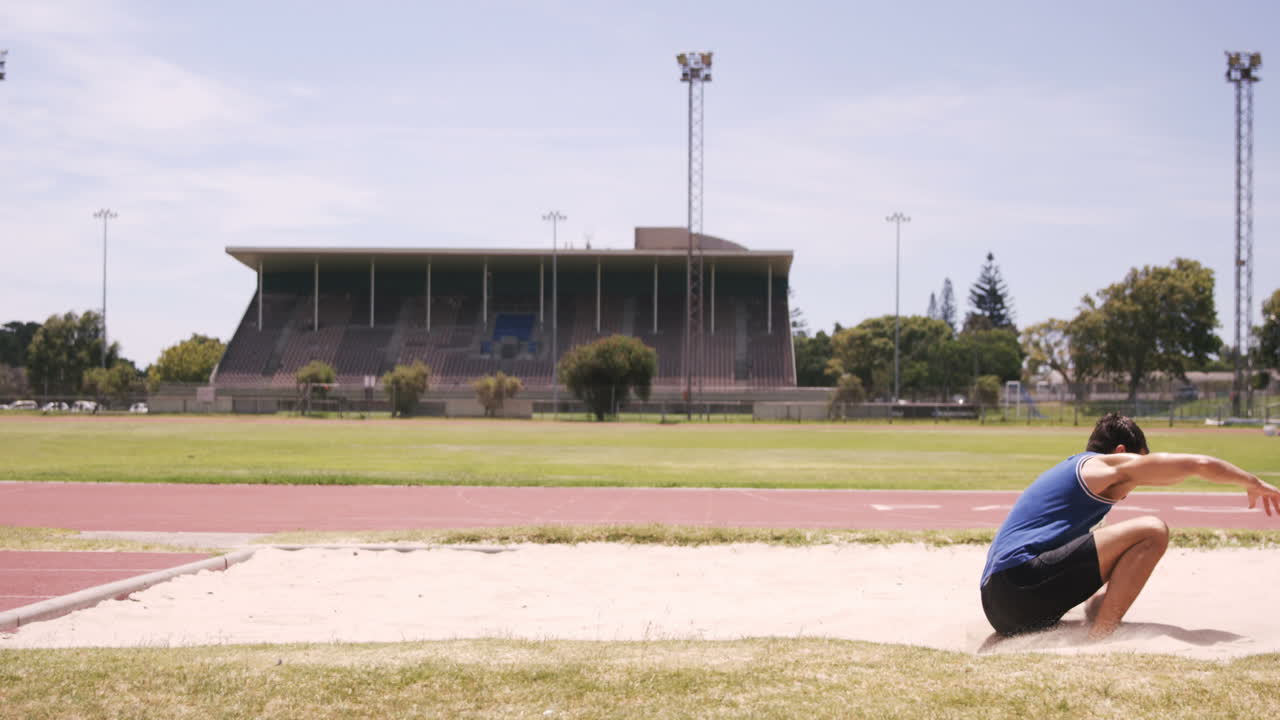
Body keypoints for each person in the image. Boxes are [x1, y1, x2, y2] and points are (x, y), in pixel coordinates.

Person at [980, 412, 1280, 640]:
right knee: (1153, 530)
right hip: (1017, 585)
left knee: (1110, 548)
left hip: (999, 607)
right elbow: (1195, 465)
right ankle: (1102, 634)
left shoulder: (1073, 476)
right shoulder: (1098, 467)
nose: (1139, 480)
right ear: (1121, 452)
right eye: (1141, 464)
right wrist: (1251, 482)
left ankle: (1099, 614)